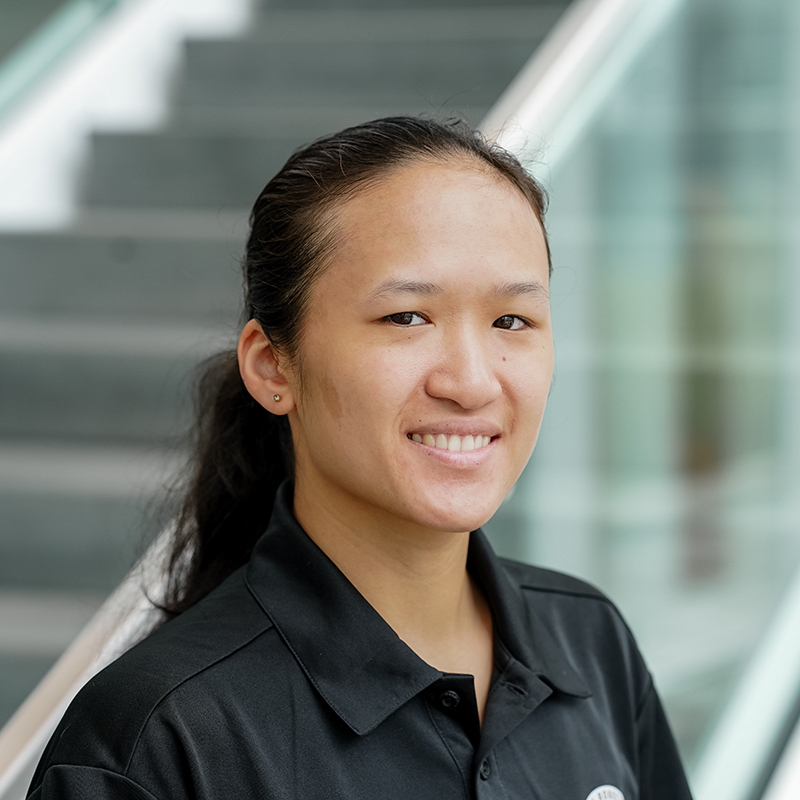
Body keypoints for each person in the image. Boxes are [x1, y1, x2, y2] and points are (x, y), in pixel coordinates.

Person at [27, 117, 693, 800]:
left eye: (511, 322)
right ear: (273, 367)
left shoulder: (591, 640)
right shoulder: (164, 738)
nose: (470, 381)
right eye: (407, 317)